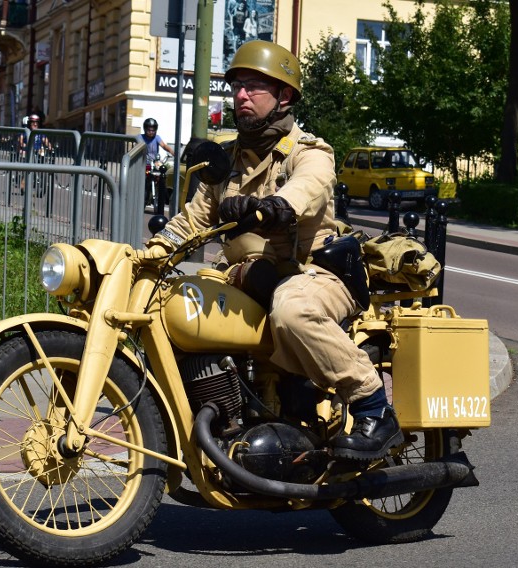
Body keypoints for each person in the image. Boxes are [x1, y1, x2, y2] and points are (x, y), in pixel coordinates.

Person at [146, 40, 404, 461]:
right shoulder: (229, 160)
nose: (241, 95)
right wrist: (151, 253)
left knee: (291, 311)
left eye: (253, 87)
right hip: (247, 277)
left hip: (314, 276)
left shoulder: (310, 152)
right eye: (236, 87)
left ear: (284, 96)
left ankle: (373, 406)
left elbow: (309, 187)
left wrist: (272, 208)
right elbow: (192, 219)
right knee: (171, 306)